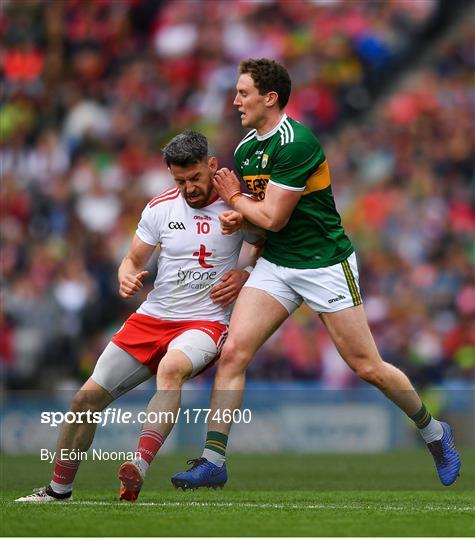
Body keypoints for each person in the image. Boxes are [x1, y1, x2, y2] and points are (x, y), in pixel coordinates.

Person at [171, 59, 461, 490]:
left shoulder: (297, 144)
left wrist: (235, 200)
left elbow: (271, 217)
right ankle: (214, 460)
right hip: (277, 264)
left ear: (270, 98)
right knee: (233, 354)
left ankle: (434, 432)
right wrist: (242, 246)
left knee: (367, 366)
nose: (235, 101)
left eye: (243, 93)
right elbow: (259, 229)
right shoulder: (248, 149)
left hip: (324, 264)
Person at [16, 130, 262, 503]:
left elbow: (271, 244)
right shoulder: (160, 207)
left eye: (195, 178)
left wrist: (244, 274)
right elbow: (132, 259)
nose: (189, 188)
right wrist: (126, 276)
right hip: (152, 318)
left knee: (171, 370)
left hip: (205, 322)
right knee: (84, 400)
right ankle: (57, 490)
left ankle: (138, 467)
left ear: (212, 166)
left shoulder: (237, 205)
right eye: (179, 180)